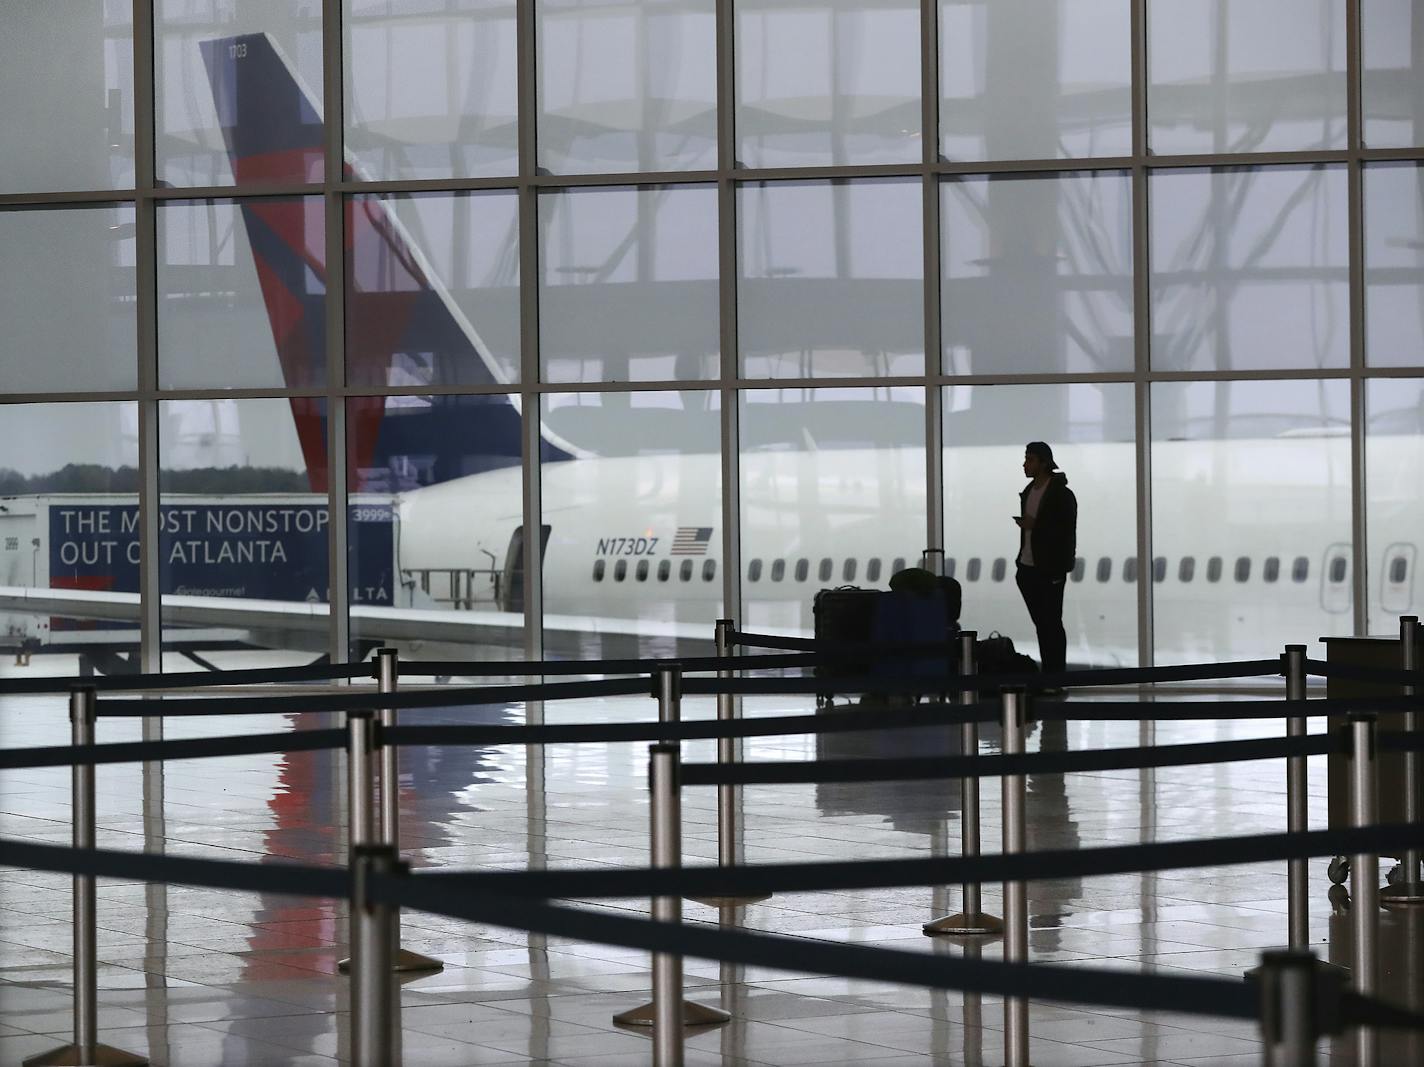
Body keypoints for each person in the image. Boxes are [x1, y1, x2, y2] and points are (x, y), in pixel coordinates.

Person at [1013, 441, 1076, 693]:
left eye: (1029, 459)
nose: (1025, 464)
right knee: (1043, 624)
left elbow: (1065, 531)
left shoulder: (1061, 494)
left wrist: (1033, 525)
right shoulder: (1029, 491)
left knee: (1051, 623)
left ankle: (1055, 679)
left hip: (1049, 569)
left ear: (1043, 463)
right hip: (1028, 567)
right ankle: (1049, 679)